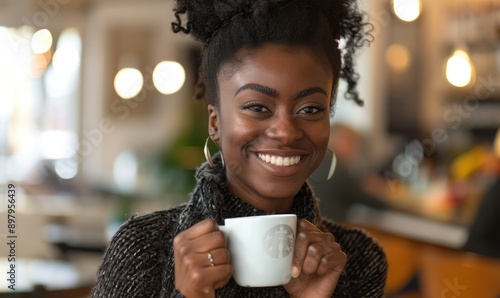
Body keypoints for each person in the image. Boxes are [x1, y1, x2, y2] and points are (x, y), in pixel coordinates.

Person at [91, 0, 387, 297]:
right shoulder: (143, 251)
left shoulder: (356, 260)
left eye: (310, 109)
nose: (285, 132)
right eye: (257, 107)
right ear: (215, 123)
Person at [310, 123, 389, 222]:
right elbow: (369, 200)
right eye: (353, 144)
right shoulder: (336, 168)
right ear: (340, 142)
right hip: (329, 230)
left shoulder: (318, 161)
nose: (355, 152)